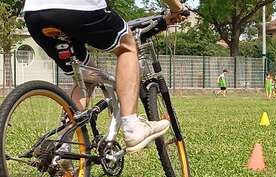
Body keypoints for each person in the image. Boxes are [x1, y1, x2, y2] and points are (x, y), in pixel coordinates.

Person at [23, 0, 187, 153]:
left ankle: (63, 147)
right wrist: (177, 7)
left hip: (35, 14)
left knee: (86, 75)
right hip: (79, 7)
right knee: (127, 46)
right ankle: (132, 127)